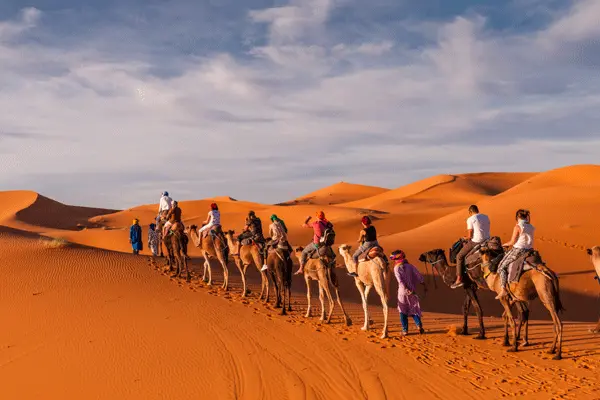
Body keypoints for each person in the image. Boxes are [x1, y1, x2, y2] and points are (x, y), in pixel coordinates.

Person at [495, 209, 535, 299]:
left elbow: (512, 242)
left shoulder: (518, 227)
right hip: (530, 250)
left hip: (519, 250)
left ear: (517, 217)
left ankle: (503, 289)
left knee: (501, 267)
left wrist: (504, 244)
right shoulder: (531, 226)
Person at [451, 205, 491, 289]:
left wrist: (465, 237)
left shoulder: (470, 219)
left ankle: (459, 279)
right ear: (477, 210)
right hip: (487, 240)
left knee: (459, 256)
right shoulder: (486, 216)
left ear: (470, 212)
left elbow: (469, 236)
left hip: (476, 241)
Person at [391, 250, 426, 335]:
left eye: (395, 259)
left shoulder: (396, 268)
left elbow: (400, 281)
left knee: (402, 311)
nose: (394, 261)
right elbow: (419, 277)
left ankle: (405, 330)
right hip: (412, 291)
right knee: (413, 308)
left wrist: (406, 289)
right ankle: (419, 326)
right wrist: (423, 284)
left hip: (402, 292)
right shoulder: (411, 266)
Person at [295, 211, 333, 275]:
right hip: (326, 243)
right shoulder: (327, 223)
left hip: (317, 243)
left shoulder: (316, 223)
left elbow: (304, 225)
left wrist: (308, 218)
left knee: (304, 252)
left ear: (317, 217)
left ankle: (301, 268)